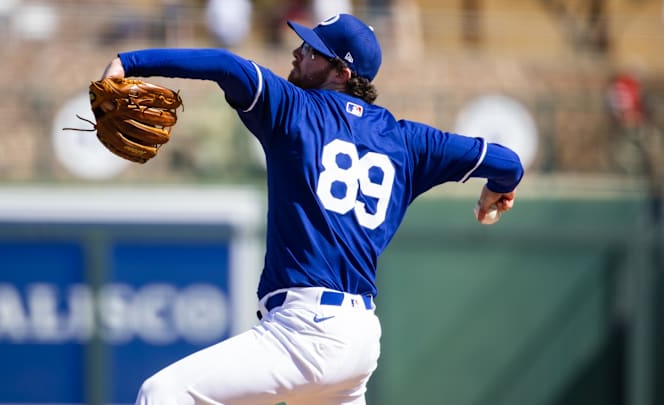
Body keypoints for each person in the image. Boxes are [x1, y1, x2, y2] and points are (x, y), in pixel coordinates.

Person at [100, 13, 523, 405]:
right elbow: (508, 162)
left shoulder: (293, 110)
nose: (298, 52)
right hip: (358, 341)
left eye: (313, 50)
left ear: (342, 72)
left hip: (305, 331)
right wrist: (496, 191)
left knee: (162, 393)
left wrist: (127, 60)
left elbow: (225, 65)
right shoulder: (409, 142)